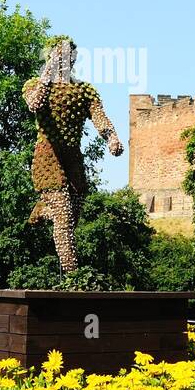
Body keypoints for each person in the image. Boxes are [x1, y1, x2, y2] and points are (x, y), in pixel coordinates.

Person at [23, 37, 123, 272]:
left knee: (72, 213)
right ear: (49, 56)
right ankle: (73, 278)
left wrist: (112, 138)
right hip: (48, 157)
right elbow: (34, 104)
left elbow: (99, 117)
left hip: (73, 159)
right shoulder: (34, 85)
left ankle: (44, 210)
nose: (65, 61)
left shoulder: (84, 90)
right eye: (60, 56)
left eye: (69, 57)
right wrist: (48, 70)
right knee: (64, 217)